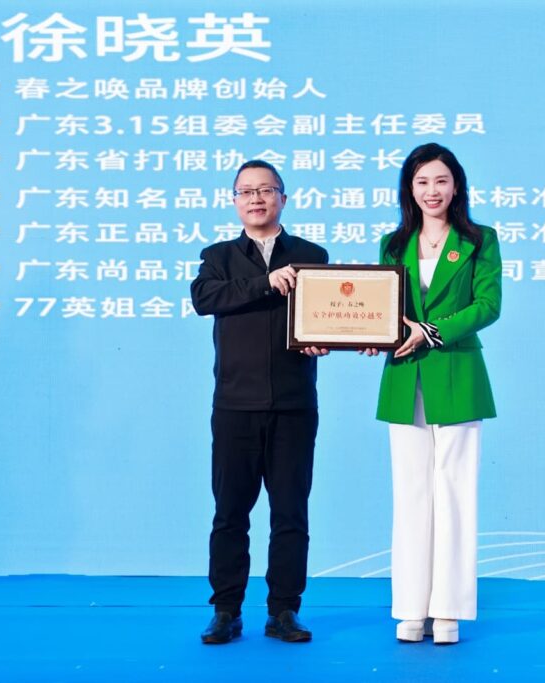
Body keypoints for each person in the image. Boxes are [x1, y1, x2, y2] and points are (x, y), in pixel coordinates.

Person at [191, 160, 329, 645]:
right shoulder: (218, 257)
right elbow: (205, 298)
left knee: (291, 513)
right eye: (246, 191)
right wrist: (265, 282)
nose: (256, 199)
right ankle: (226, 610)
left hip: (294, 404)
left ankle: (284, 610)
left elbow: (327, 315)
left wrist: (325, 338)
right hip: (235, 405)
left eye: (266, 190)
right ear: (235, 201)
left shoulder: (312, 255)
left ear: (282, 199)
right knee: (230, 513)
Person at [372, 143, 501, 644]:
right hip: (405, 376)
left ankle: (448, 610)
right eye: (422, 181)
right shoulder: (392, 243)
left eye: (441, 181)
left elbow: (488, 305)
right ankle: (410, 607)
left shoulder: (479, 240)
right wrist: (374, 335)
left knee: (455, 494)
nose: (432, 191)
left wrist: (432, 330)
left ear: (456, 185)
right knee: (410, 495)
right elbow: (382, 307)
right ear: (409, 188)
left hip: (458, 374)